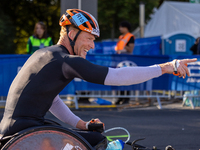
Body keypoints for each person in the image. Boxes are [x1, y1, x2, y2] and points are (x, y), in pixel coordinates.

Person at [0, 8, 197, 149]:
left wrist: (82, 125)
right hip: (25, 131)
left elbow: (52, 100)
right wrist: (165, 67)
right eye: (89, 38)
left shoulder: (47, 54)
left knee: (91, 135)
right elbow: (117, 76)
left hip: (16, 129)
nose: (92, 45)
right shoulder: (65, 60)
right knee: (96, 140)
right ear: (72, 33)